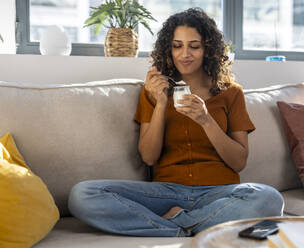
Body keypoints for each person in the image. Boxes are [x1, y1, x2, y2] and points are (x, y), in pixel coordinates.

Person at [68, 7, 284, 237]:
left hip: (220, 192)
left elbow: (239, 162)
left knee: (269, 198)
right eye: (177, 45)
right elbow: (149, 157)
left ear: (208, 49)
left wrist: (206, 120)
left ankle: (176, 224)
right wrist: (161, 103)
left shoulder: (231, 93)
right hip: (165, 193)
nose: (185, 54)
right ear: (168, 49)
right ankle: (192, 227)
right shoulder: (152, 92)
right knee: (82, 194)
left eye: (195, 46)